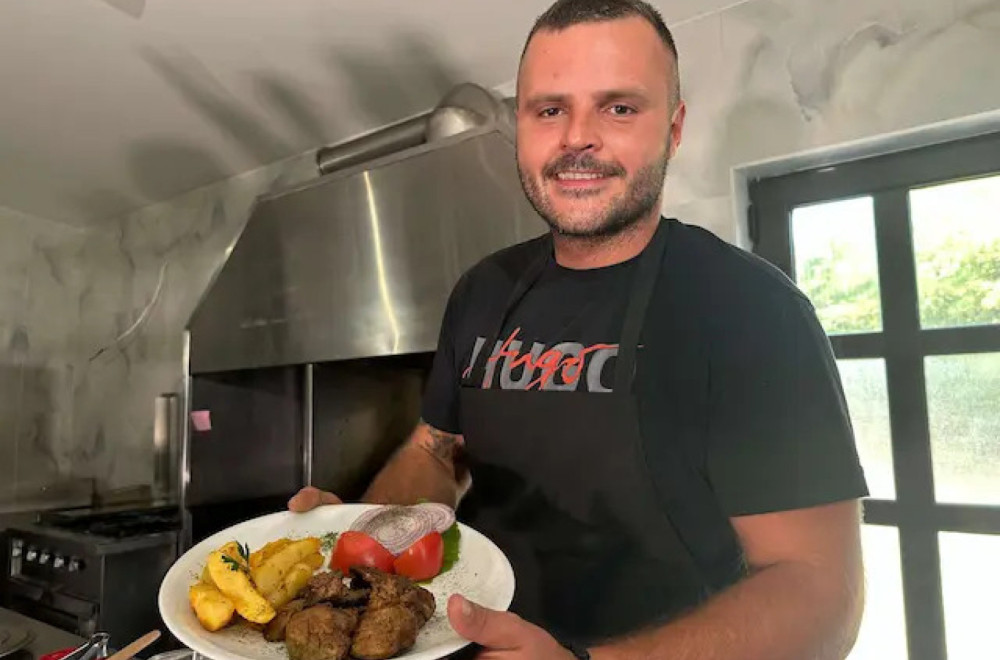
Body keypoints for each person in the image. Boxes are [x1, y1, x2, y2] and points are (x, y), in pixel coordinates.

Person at [289, 0, 869, 657]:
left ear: (673, 128)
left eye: (618, 107)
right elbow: (436, 451)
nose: (577, 138)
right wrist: (364, 541)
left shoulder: (751, 310)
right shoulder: (482, 291)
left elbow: (820, 594)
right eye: (549, 110)